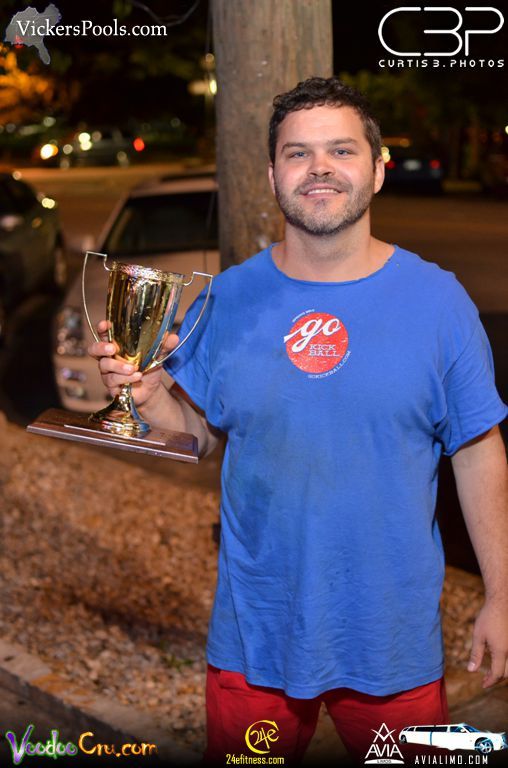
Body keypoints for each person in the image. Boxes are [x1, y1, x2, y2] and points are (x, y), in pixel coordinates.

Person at [89, 77, 508, 765]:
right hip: (255, 639)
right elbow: (198, 437)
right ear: (272, 175)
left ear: (377, 168)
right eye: (297, 153)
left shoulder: (438, 302)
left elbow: (477, 448)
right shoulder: (227, 299)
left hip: (391, 643)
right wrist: (151, 393)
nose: (319, 168)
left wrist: (501, 594)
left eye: (341, 150)